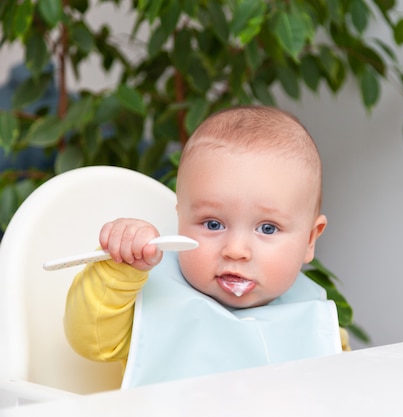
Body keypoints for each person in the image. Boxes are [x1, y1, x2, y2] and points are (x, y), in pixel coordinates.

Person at [64, 105, 349, 388]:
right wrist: (120, 269)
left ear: (310, 239)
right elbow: (91, 341)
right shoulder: (156, 298)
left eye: (267, 228)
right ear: (181, 217)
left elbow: (342, 391)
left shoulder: (315, 321)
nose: (236, 250)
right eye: (213, 224)